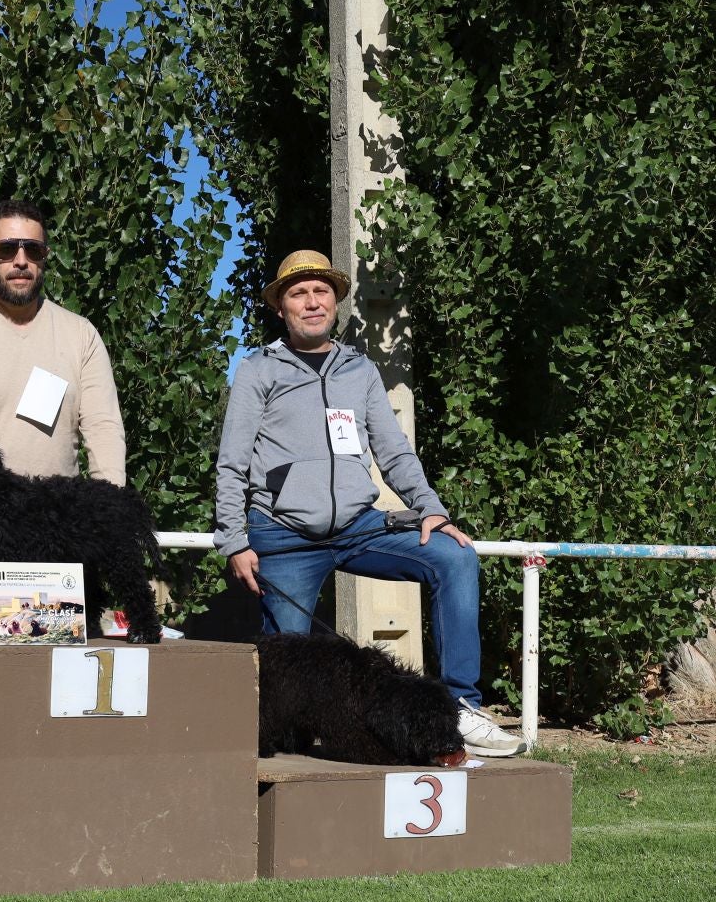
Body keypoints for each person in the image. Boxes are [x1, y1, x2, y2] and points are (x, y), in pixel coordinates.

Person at [213, 250, 524, 757]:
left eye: (321, 292)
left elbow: (394, 450)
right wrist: (234, 539)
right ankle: (287, 759)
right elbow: (232, 463)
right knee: (284, 675)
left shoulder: (359, 370)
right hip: (283, 535)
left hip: (361, 526)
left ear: (334, 301)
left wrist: (431, 510)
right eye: (298, 293)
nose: (312, 302)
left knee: (455, 558)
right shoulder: (257, 371)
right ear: (280, 307)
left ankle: (461, 707)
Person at [0, 197, 127, 630]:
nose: (20, 261)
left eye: (33, 250)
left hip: (61, 537)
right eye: (7, 249)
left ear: (45, 258)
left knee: (56, 677)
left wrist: (107, 515)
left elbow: (104, 429)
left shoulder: (80, 336)